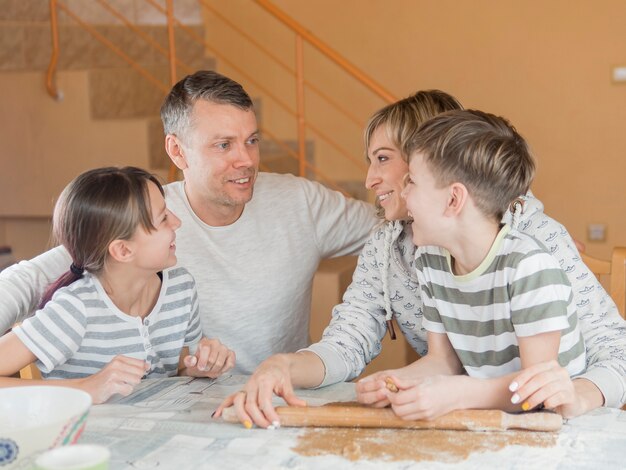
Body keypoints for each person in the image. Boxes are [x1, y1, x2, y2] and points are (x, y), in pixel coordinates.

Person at [216, 90, 626, 429]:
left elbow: (611, 356)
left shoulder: (532, 245)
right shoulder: (399, 248)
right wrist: (281, 366)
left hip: (549, 419)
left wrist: (577, 398)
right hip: (462, 420)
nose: (369, 179)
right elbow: (354, 344)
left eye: (384, 159)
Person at [0, 71, 377, 375]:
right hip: (197, 405)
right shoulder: (146, 219)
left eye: (252, 140)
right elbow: (28, 279)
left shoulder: (300, 202)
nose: (246, 160)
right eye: (224, 145)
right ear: (177, 150)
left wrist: (394, 295)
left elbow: (394, 228)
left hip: (283, 395)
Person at [386, 109, 586, 418]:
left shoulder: (530, 268)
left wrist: (457, 393)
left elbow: (538, 394)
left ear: (454, 200)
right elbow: (443, 361)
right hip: (489, 416)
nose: (403, 192)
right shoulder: (430, 259)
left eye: (412, 180)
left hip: (559, 428)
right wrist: (394, 382)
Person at [0, 167, 234, 404]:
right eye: (163, 218)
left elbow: (179, 366)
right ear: (123, 250)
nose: (177, 222)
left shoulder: (181, 288)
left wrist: (198, 367)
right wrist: (87, 388)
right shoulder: (76, 308)